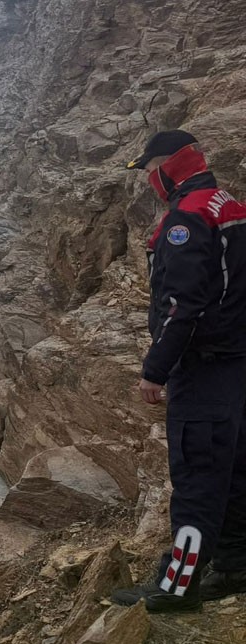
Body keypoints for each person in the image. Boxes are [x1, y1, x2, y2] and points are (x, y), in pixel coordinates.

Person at [110, 129, 246, 612]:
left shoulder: (186, 218)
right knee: (233, 470)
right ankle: (233, 565)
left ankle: (177, 585)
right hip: (235, 365)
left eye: (150, 170)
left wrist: (156, 369)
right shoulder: (227, 205)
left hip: (203, 367)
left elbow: (181, 304)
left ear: (170, 165)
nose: (149, 180)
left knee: (197, 478)